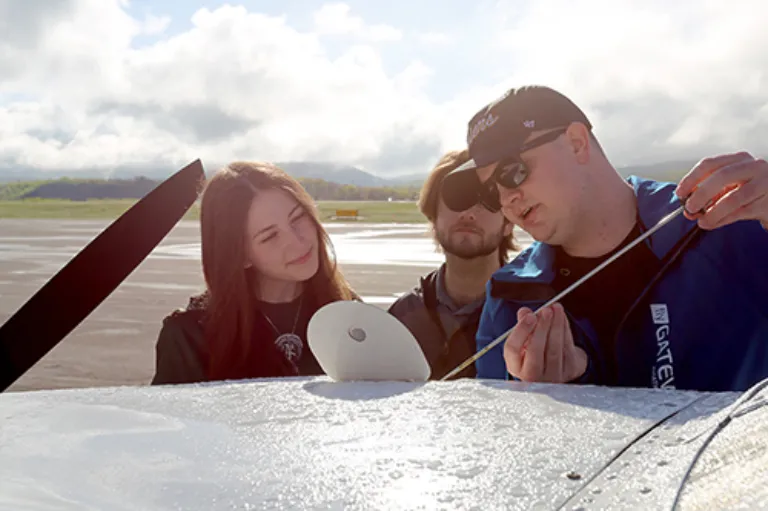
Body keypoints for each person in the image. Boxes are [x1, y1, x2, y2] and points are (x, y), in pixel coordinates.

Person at [442, 84, 768, 392]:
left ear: (576, 143)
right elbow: (503, 435)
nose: (506, 198)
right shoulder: (509, 299)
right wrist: (540, 411)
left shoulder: (723, 221)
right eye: (491, 190)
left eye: (511, 172)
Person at [151, 161, 357, 385]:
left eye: (298, 218)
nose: (297, 242)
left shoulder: (350, 314)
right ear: (240, 255)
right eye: (270, 236)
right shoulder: (191, 338)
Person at [388, 149, 519, 380]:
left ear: (509, 222)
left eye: (487, 200)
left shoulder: (531, 313)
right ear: (433, 214)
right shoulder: (402, 318)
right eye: (456, 196)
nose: (469, 213)